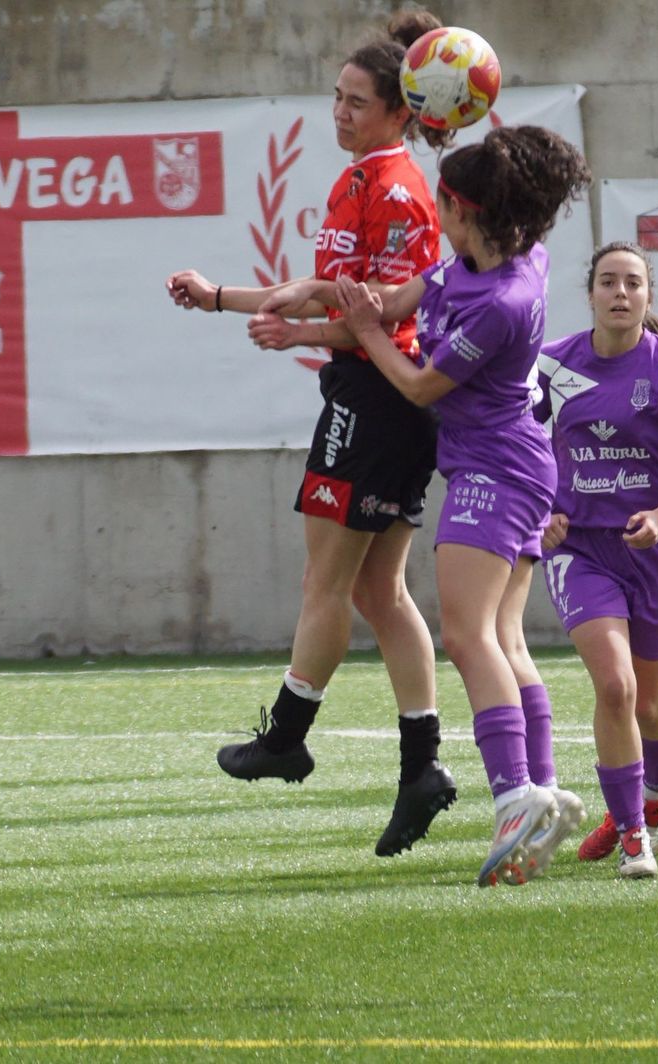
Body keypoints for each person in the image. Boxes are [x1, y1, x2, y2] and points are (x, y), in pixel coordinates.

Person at [254, 125, 593, 887]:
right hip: (512, 464)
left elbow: (416, 385)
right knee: (504, 638)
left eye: (443, 200)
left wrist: (366, 330)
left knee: (468, 635)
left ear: (464, 209)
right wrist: (313, 306)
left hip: (494, 470)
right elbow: (400, 296)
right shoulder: (491, 260)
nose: (433, 211)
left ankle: (511, 797)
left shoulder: (500, 303)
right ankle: (538, 787)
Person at [163, 10, 458, 859]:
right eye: (335, 98)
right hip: (381, 403)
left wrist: (299, 331)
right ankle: (421, 766)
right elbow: (334, 294)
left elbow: (380, 321)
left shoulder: (390, 188)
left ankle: (288, 735)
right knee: (377, 594)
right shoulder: (367, 179)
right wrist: (225, 298)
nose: (339, 113)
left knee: (325, 583)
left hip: (374, 404)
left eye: (356, 102)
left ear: (400, 111)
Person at [535, 243, 658, 879]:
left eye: (633, 284)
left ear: (649, 297)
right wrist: (543, 510)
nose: (621, 293)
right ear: (589, 292)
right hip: (581, 551)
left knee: (650, 702)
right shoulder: (552, 365)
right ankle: (632, 837)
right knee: (614, 687)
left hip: (656, 553)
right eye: (608, 282)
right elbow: (516, 444)